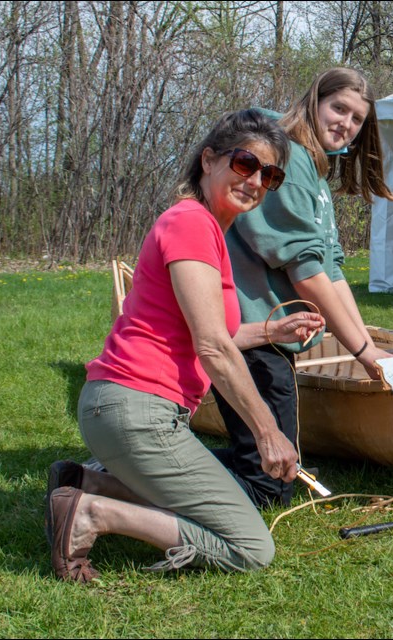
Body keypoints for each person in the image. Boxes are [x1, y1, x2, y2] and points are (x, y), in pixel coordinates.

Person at [45, 109, 325, 583]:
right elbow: (213, 347)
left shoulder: (208, 229)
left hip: (123, 409)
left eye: (269, 174)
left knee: (228, 507)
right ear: (209, 160)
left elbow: (205, 331)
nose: (255, 180)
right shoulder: (192, 223)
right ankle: (93, 514)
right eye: (244, 164)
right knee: (251, 546)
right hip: (137, 412)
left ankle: (84, 482)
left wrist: (269, 332)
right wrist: (267, 432)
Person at [211, 68, 393, 508]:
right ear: (315, 101)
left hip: (272, 333)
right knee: (270, 485)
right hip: (249, 330)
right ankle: (121, 478)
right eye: (339, 109)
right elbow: (307, 273)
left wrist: (366, 341)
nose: (346, 124)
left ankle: (155, 465)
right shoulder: (289, 161)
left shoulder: (314, 173)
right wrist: (364, 353)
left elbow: (330, 271)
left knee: (268, 474)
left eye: (357, 119)